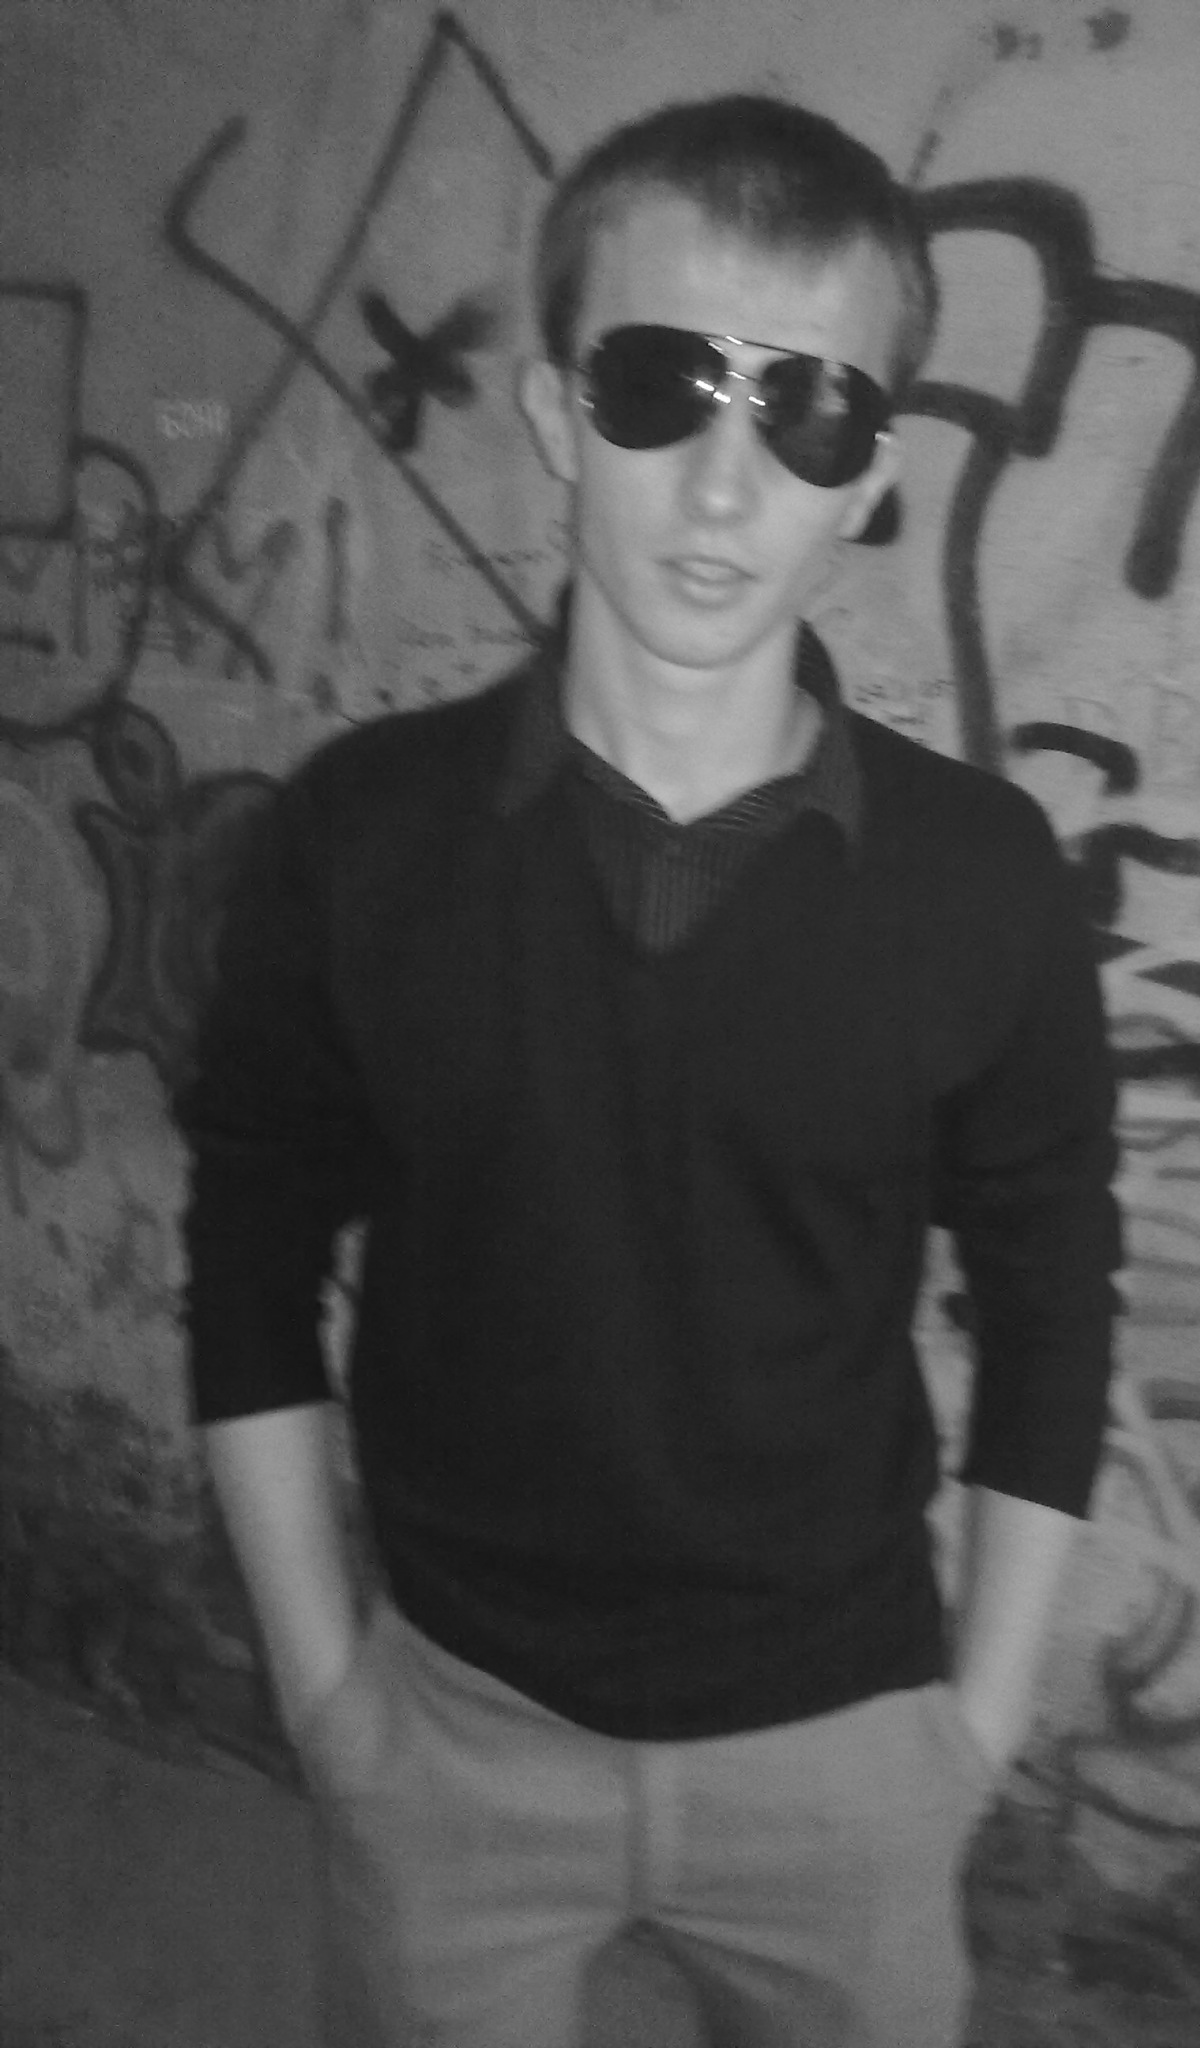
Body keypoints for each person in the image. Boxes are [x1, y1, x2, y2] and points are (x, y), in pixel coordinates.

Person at [177, 92, 1121, 2048]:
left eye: (812, 411)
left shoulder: (983, 877)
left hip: (847, 1755)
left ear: (872, 476)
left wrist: (971, 1733)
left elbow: (1055, 1300)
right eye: (662, 384)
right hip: (451, 1736)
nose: (721, 482)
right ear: (554, 413)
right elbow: (247, 1256)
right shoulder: (361, 835)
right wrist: (328, 1698)